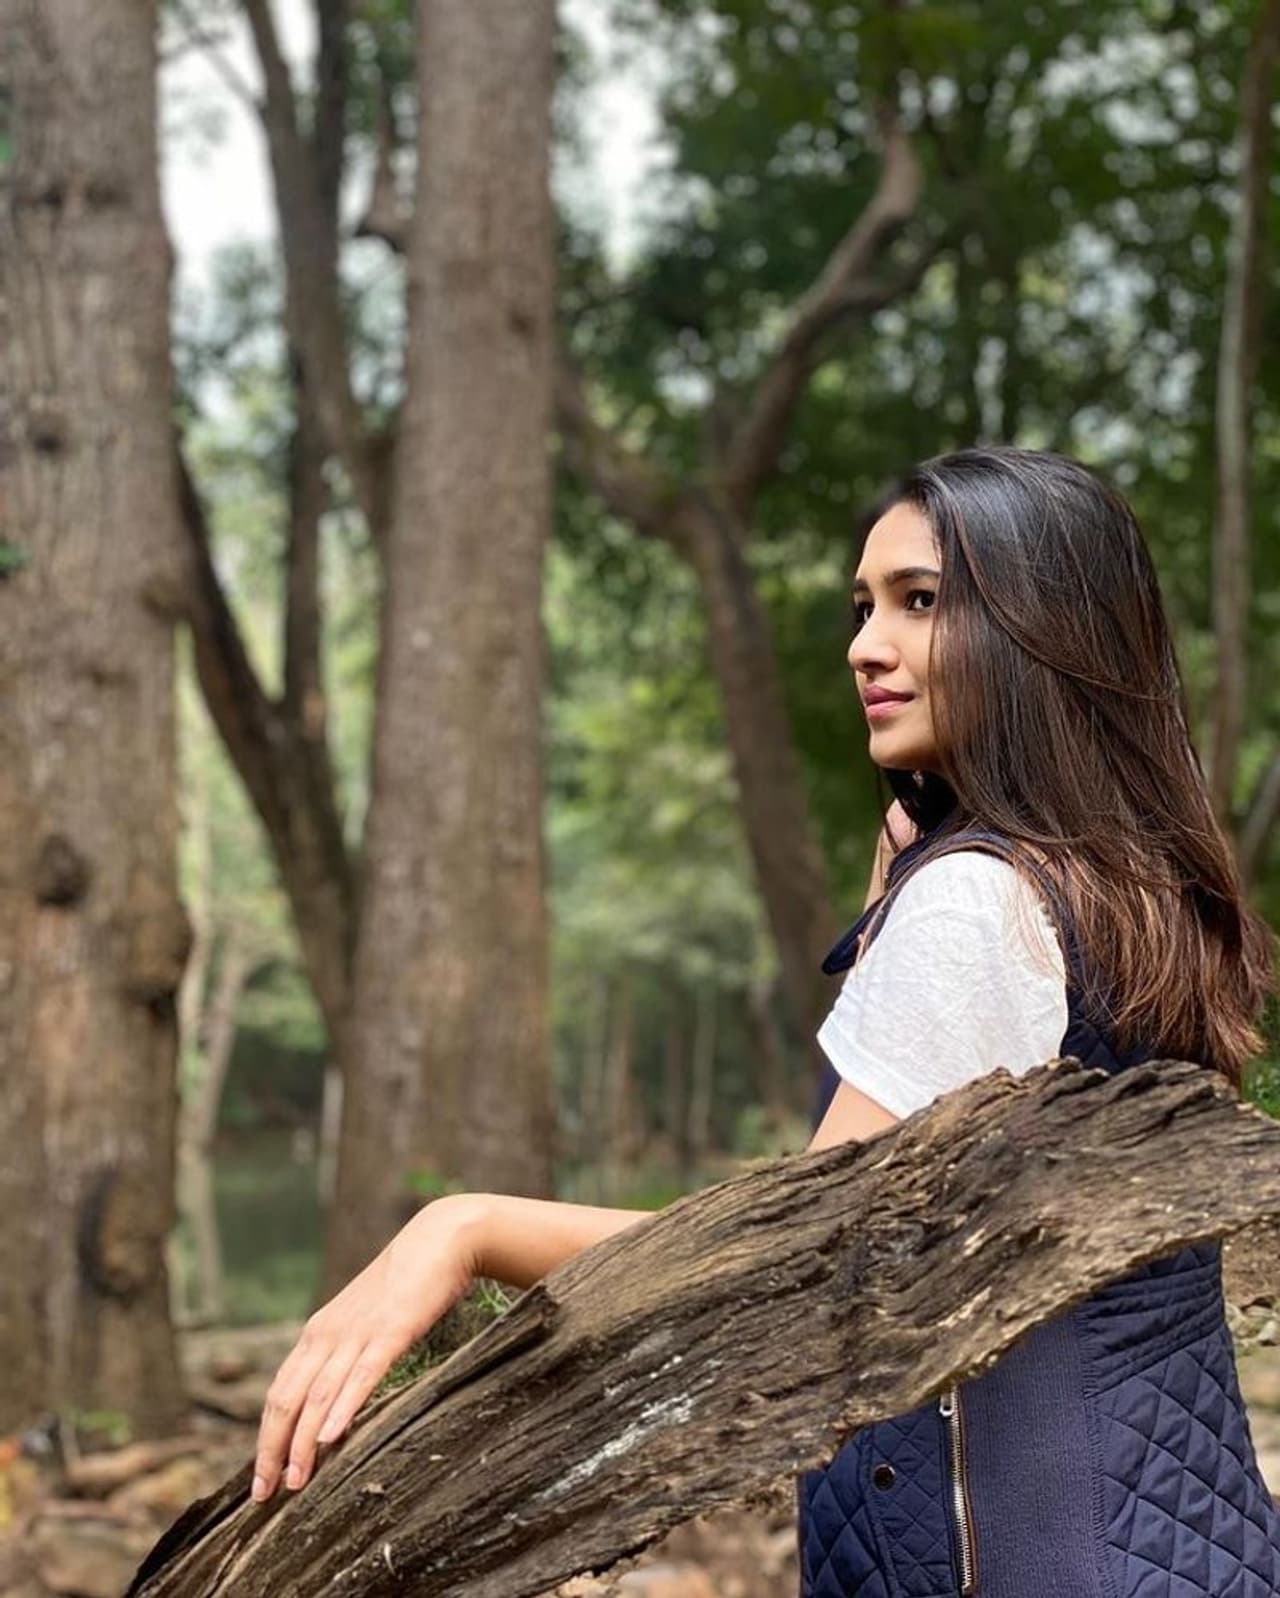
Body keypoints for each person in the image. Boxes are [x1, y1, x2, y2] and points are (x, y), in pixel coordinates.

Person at [249, 445, 1279, 1597]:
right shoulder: (1130, 884)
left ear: (1041, 630)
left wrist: (463, 1227)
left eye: (918, 600)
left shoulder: (979, 900)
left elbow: (786, 1267)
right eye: (862, 606)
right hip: (1183, 1543)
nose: (863, 645)